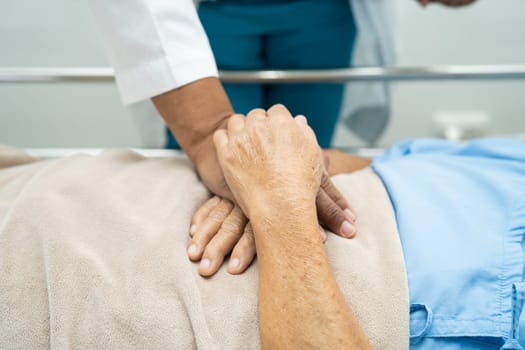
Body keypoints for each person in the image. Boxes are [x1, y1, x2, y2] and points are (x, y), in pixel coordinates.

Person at [189, 104, 525, 348]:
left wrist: (278, 203)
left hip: (255, 279)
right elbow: (377, 162)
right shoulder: (513, 155)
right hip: (223, 191)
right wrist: (282, 165)